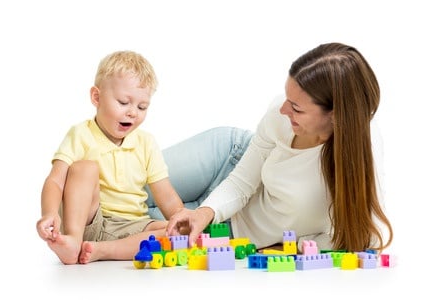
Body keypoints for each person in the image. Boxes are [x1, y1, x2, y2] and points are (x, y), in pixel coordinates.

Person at [153, 42, 394, 253]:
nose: (283, 110)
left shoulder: (364, 147)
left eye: (297, 108)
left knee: (119, 221)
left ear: (335, 115)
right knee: (120, 186)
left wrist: (305, 243)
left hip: (228, 229)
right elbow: (242, 181)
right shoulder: (280, 115)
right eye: (286, 98)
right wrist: (204, 212)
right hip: (228, 160)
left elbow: (372, 234)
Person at [36, 50, 186, 264]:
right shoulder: (81, 134)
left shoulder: (146, 142)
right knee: (84, 168)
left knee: (173, 232)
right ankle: (73, 242)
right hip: (88, 221)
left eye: (142, 107)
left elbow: (167, 196)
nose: (133, 112)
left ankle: (102, 250)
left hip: (133, 227)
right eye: (124, 102)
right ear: (96, 97)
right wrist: (49, 213)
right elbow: (55, 180)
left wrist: (183, 219)